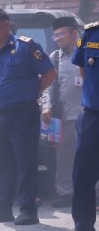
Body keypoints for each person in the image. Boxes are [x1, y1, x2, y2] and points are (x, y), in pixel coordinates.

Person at [0, 8, 56, 226]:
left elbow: (49, 72)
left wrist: (34, 93)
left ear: (6, 25)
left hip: (23, 113)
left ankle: (28, 210)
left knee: (25, 162)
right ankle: (1, 208)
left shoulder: (26, 46)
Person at [41, 17, 83, 208]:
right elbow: (48, 87)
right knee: (64, 158)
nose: (57, 38)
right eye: (55, 35)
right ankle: (65, 193)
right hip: (64, 116)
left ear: (74, 33)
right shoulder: (55, 58)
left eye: (61, 34)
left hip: (88, 115)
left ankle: (94, 193)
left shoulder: (89, 53)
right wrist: (46, 106)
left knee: (91, 155)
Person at [66, 20, 99, 231]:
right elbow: (83, 68)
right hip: (93, 112)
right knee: (83, 171)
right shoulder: (91, 33)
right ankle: (83, 224)